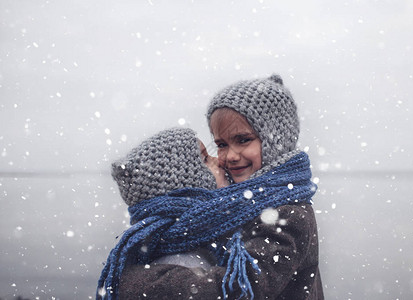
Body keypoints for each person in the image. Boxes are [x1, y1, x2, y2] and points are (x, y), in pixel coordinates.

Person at [117, 74, 324, 299]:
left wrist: (143, 283)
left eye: (243, 140)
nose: (230, 156)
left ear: (275, 141)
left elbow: (243, 287)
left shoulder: (288, 213)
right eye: (221, 144)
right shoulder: (236, 205)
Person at [97, 128, 224, 298]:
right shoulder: (185, 263)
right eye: (205, 159)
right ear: (190, 186)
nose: (219, 160)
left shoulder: (183, 244)